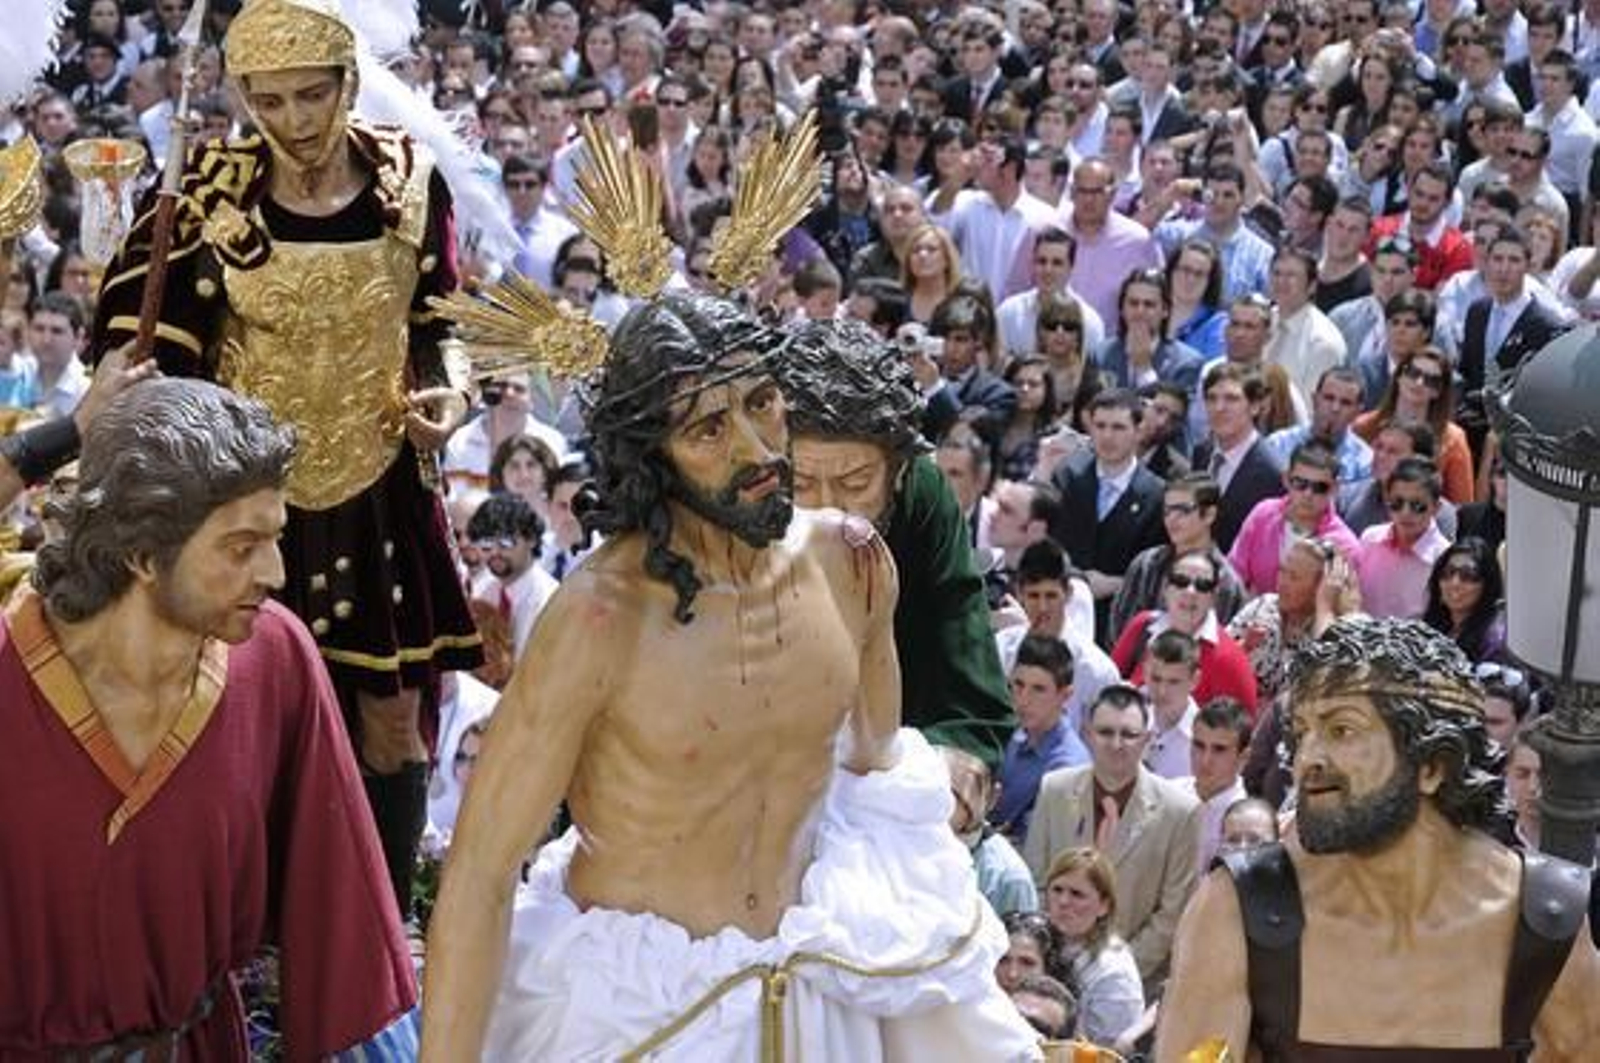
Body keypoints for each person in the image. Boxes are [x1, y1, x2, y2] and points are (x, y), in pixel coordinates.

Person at [423, 293, 1042, 1060]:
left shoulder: (848, 564)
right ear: (652, 455)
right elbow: (482, 869)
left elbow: (873, 765)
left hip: (810, 995)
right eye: (708, 428)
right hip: (638, 1014)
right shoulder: (597, 620)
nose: (756, 448)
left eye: (762, 402)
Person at [89, 0, 484, 917]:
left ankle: (380, 921)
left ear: (350, 83)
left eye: (313, 96)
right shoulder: (206, 194)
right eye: (271, 101)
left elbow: (446, 322)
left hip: (379, 484)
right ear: (241, 97)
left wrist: (452, 396)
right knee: (233, 713)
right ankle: (244, 927)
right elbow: (155, 353)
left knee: (390, 716)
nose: (297, 122)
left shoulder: (411, 182)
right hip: (240, 504)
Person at [0, 378, 417, 1056]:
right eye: (240, 545)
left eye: (276, 537)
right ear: (141, 552)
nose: (276, 571)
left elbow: (338, 911)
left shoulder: (275, 658)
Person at [1157, 616, 1600, 1059]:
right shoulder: (1239, 908)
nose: (1307, 757)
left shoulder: (1541, 917)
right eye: (1301, 732)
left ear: (1433, 765)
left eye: (1341, 730)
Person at [783, 318, 1016, 761]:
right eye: (801, 483)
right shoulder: (734, 495)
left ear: (899, 472)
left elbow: (968, 686)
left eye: (856, 483)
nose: (828, 511)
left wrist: (964, 768)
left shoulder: (923, 492)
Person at [1025, 684, 1200, 986]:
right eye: (1105, 732)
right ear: (1088, 734)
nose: (1116, 744)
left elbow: (1172, 914)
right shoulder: (1054, 789)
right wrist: (1057, 962)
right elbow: (1036, 881)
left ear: (1147, 740)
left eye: (1129, 734)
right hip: (1052, 976)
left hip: (1134, 982)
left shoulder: (1181, 811)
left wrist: (1113, 973)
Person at [1110, 550, 1260, 719]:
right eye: (1180, 581)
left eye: (1203, 585)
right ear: (1166, 588)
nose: (1190, 591)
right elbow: (1108, 686)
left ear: (1213, 597)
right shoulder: (1142, 627)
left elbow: (1241, 730)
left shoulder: (1228, 658)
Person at [1112, 473, 1246, 637]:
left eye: (1183, 510)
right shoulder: (1146, 565)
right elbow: (1119, 634)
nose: (1171, 519)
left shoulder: (1227, 584)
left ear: (1209, 514)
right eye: (1167, 511)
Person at [1227, 439, 1362, 597]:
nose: (1308, 494)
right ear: (1286, 479)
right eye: (1300, 483)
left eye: (1320, 488)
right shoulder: (1262, 515)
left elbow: (1342, 607)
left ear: (1335, 489)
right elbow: (1234, 575)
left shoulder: (1345, 546)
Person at [1041, 847, 1146, 1047]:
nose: (1063, 901)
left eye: (1077, 894)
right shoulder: (1039, 941)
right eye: (1057, 890)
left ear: (1104, 906)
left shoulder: (1114, 974)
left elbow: (1108, 1052)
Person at [994, 632, 1090, 843]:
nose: (1023, 700)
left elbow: (1042, 843)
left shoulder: (1068, 768)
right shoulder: (1012, 733)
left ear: (1064, 695)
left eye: (1038, 689)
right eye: (1018, 685)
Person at [943, 745, 1040, 917]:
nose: (942, 804)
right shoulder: (906, 843)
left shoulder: (1008, 879)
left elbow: (1020, 942)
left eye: (956, 795)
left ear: (993, 797)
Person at [1353, 456, 1452, 620]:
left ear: (1436, 508)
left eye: (1417, 506)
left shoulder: (1444, 557)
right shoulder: (1369, 539)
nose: (1405, 513)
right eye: (1397, 503)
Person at [1421, 536, 1509, 664]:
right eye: (1448, 572)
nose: (1455, 583)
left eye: (1468, 575)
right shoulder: (1433, 627)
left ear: (1487, 585)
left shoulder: (1495, 640)